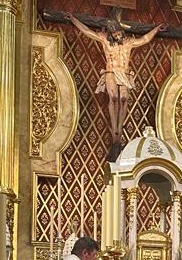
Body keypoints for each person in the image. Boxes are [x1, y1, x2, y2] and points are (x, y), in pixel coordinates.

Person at [67, 15, 165, 158]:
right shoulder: (105, 40)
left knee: (124, 99)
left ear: (122, 32)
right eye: (114, 34)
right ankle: (115, 131)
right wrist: (73, 19)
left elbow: (144, 39)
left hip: (124, 73)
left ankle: (119, 128)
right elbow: (87, 31)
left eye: (118, 33)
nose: (117, 36)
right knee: (113, 98)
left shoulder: (129, 42)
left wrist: (156, 29)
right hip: (111, 71)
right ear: (111, 34)